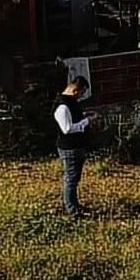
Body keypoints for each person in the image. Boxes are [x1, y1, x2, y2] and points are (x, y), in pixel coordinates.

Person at [54, 77, 92, 216]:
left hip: (77, 146)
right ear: (75, 90)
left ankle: (74, 204)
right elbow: (67, 128)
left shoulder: (71, 103)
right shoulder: (63, 106)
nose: (80, 96)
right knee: (70, 178)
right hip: (69, 148)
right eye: (81, 93)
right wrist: (86, 122)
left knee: (74, 178)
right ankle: (71, 208)